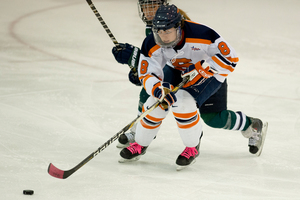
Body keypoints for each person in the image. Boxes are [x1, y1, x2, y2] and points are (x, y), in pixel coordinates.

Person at [118, 4, 268, 168]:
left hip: (212, 74)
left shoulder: (203, 34)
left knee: (211, 117)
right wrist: (157, 89)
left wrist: (202, 69)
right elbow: (149, 73)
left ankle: (251, 125)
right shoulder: (152, 41)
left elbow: (231, 59)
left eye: (167, 32)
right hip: (177, 70)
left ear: (179, 27)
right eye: (159, 32)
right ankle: (140, 142)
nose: (163, 37)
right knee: (156, 101)